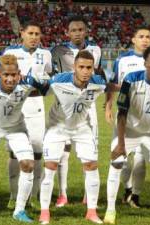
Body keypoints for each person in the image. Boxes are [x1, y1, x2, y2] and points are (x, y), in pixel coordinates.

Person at [104, 44, 150, 224]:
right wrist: (121, 143)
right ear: (145, 63)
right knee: (116, 162)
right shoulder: (131, 80)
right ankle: (110, 211)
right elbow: (121, 113)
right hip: (128, 129)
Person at [0, 55, 45, 223]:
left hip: (16, 128)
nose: (10, 79)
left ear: (19, 74)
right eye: (6, 75)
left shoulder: (28, 83)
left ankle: (19, 211)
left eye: (14, 75)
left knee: (28, 164)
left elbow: (48, 87)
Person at [39, 50, 107, 224]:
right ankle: (44, 212)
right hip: (57, 127)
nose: (85, 71)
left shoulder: (98, 83)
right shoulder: (59, 81)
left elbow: (112, 86)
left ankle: (91, 211)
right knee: (50, 167)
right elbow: (38, 87)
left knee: (92, 165)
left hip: (82, 127)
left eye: (89, 68)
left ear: (93, 69)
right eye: (81, 67)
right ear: (74, 67)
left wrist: (109, 104)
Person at [50, 16, 102, 206]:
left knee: (89, 150)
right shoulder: (57, 50)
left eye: (81, 29)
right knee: (63, 151)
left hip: (88, 105)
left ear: (86, 31)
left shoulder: (96, 50)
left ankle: (88, 195)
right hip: (64, 106)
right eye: (74, 30)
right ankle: (62, 194)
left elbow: (99, 75)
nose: (77, 33)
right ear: (67, 32)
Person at [3, 20, 52, 210]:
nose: (34, 38)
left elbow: (49, 76)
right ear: (22, 33)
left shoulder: (45, 54)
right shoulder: (11, 53)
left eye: (37, 34)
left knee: (38, 152)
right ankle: (13, 195)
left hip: (36, 104)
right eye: (30, 33)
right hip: (16, 105)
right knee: (15, 153)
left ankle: (33, 195)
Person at [105, 25, 150, 208]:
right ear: (133, 39)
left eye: (148, 36)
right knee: (121, 156)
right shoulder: (122, 61)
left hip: (148, 115)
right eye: (141, 36)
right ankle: (127, 189)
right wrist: (108, 106)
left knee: (141, 158)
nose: (145, 39)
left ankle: (136, 196)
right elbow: (113, 84)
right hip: (125, 114)